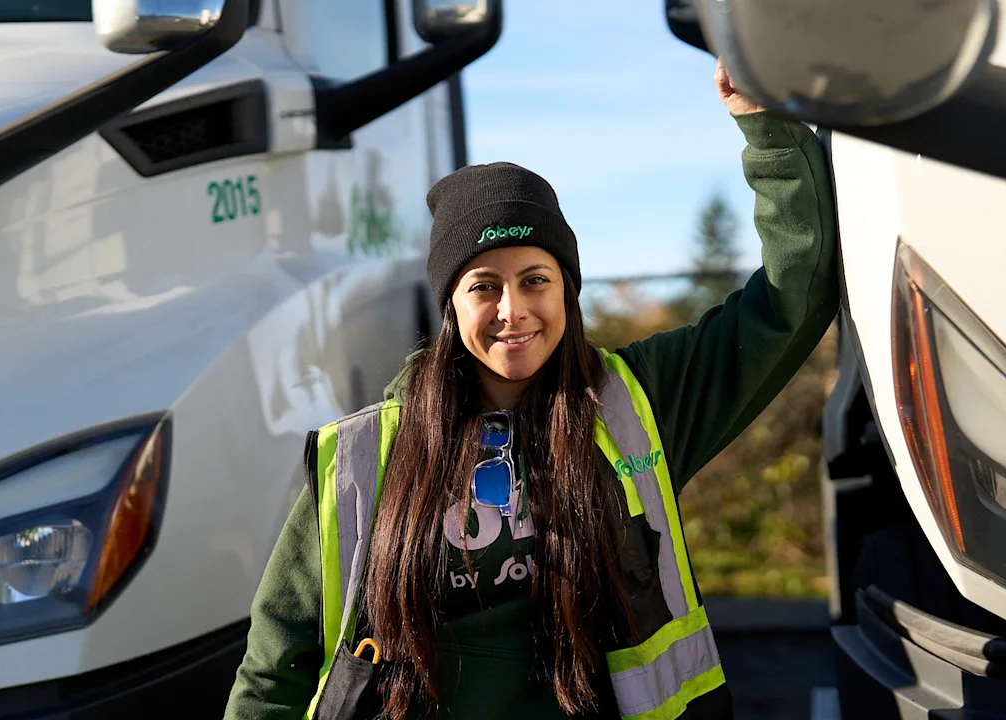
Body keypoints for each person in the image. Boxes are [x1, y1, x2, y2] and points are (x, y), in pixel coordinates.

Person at [224, 58, 838, 720]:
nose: (512, 311)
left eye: (535, 280)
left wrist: (764, 125)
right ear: (451, 305)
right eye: (484, 286)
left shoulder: (641, 400)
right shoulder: (360, 457)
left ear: (567, 290)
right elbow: (273, 669)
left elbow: (792, 298)